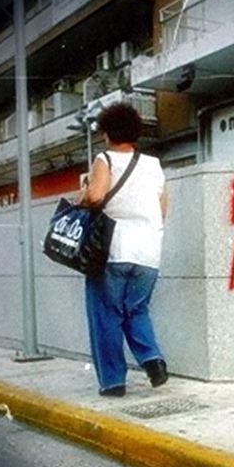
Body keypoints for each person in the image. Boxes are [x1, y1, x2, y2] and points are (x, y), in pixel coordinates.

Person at [78, 102, 169, 396]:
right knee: (137, 310)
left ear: (107, 133)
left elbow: (95, 196)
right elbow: (162, 210)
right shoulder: (154, 165)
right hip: (148, 253)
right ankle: (152, 359)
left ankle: (113, 382)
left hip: (112, 251)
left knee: (106, 315)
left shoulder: (105, 159)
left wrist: (82, 195)